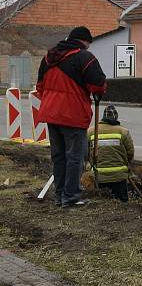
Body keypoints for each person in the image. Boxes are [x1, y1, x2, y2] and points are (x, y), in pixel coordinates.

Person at [36, 26, 106, 208]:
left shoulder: (48, 57)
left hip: (51, 114)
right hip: (72, 115)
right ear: (84, 41)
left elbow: (40, 87)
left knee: (59, 157)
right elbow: (98, 85)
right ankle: (71, 197)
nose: (88, 48)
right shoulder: (84, 57)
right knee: (75, 156)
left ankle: (60, 195)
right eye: (88, 45)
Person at [87, 105, 134, 202]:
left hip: (99, 175)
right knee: (122, 203)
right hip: (119, 176)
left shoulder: (91, 131)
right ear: (116, 118)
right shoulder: (123, 132)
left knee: (101, 202)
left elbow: (86, 153)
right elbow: (130, 153)